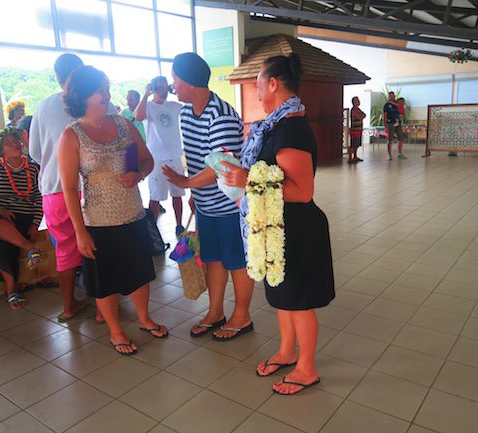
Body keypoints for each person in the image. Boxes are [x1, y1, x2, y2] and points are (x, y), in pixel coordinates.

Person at [220, 54, 335, 395]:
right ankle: (287, 352)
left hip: (297, 230)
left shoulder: (292, 129)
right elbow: (264, 171)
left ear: (273, 84)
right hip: (275, 228)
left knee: (299, 302)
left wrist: (248, 179)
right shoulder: (273, 126)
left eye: (257, 84)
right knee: (283, 297)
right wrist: (241, 167)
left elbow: (301, 191)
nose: (255, 92)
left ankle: (307, 368)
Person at [58, 65, 167, 355]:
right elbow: (69, 188)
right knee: (105, 281)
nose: (107, 95)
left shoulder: (123, 124)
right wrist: (80, 232)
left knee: (140, 272)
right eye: (100, 90)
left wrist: (139, 175)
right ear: (83, 95)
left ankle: (144, 319)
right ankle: (116, 331)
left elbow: (147, 160)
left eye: (107, 88)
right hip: (97, 221)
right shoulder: (72, 136)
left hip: (132, 214)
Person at [163, 52, 254, 341]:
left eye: (175, 78)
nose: (172, 84)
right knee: (213, 260)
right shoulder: (187, 113)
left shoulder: (222, 115)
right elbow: (198, 157)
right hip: (205, 205)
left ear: (189, 82)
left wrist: (188, 182)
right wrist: (194, 192)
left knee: (235, 261)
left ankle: (242, 316)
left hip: (228, 206)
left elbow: (221, 165)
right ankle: (215, 312)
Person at [30, 53, 96, 323]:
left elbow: (35, 152)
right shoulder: (93, 102)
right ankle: (103, 308)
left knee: (65, 251)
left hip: (53, 190)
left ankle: (69, 307)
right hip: (87, 188)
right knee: (97, 244)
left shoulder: (42, 106)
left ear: (57, 78)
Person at [0, 127, 44, 310]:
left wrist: (36, 223)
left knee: (5, 245)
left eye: (16, 141)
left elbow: (39, 198)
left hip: (23, 218)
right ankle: (29, 248)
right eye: (9, 143)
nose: (15, 145)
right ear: (1, 150)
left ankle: (11, 290)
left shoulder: (34, 168)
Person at [135, 76, 185, 237]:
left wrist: (174, 90)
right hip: (156, 159)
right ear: (154, 89)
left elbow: (189, 106)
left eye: (166, 88)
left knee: (178, 194)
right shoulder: (148, 106)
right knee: (156, 196)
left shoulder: (173, 105)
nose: (163, 91)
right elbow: (138, 116)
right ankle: (153, 231)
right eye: (160, 88)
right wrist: (145, 94)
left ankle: (179, 225)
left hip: (175, 157)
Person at [383, 91, 406, 160]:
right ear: (388, 97)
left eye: (393, 96)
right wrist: (385, 126)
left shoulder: (398, 103)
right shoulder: (387, 105)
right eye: (390, 96)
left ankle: (400, 154)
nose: (391, 97)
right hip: (390, 123)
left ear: (394, 96)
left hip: (398, 123)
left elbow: (402, 112)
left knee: (400, 138)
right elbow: (384, 116)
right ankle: (389, 154)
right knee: (390, 139)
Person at [348, 96, 365, 164]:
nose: (359, 101)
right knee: (353, 144)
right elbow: (360, 116)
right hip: (354, 130)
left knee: (357, 144)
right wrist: (361, 116)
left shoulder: (358, 109)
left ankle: (355, 156)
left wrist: (361, 116)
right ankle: (350, 158)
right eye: (357, 100)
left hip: (359, 130)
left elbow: (364, 115)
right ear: (354, 102)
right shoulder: (353, 110)